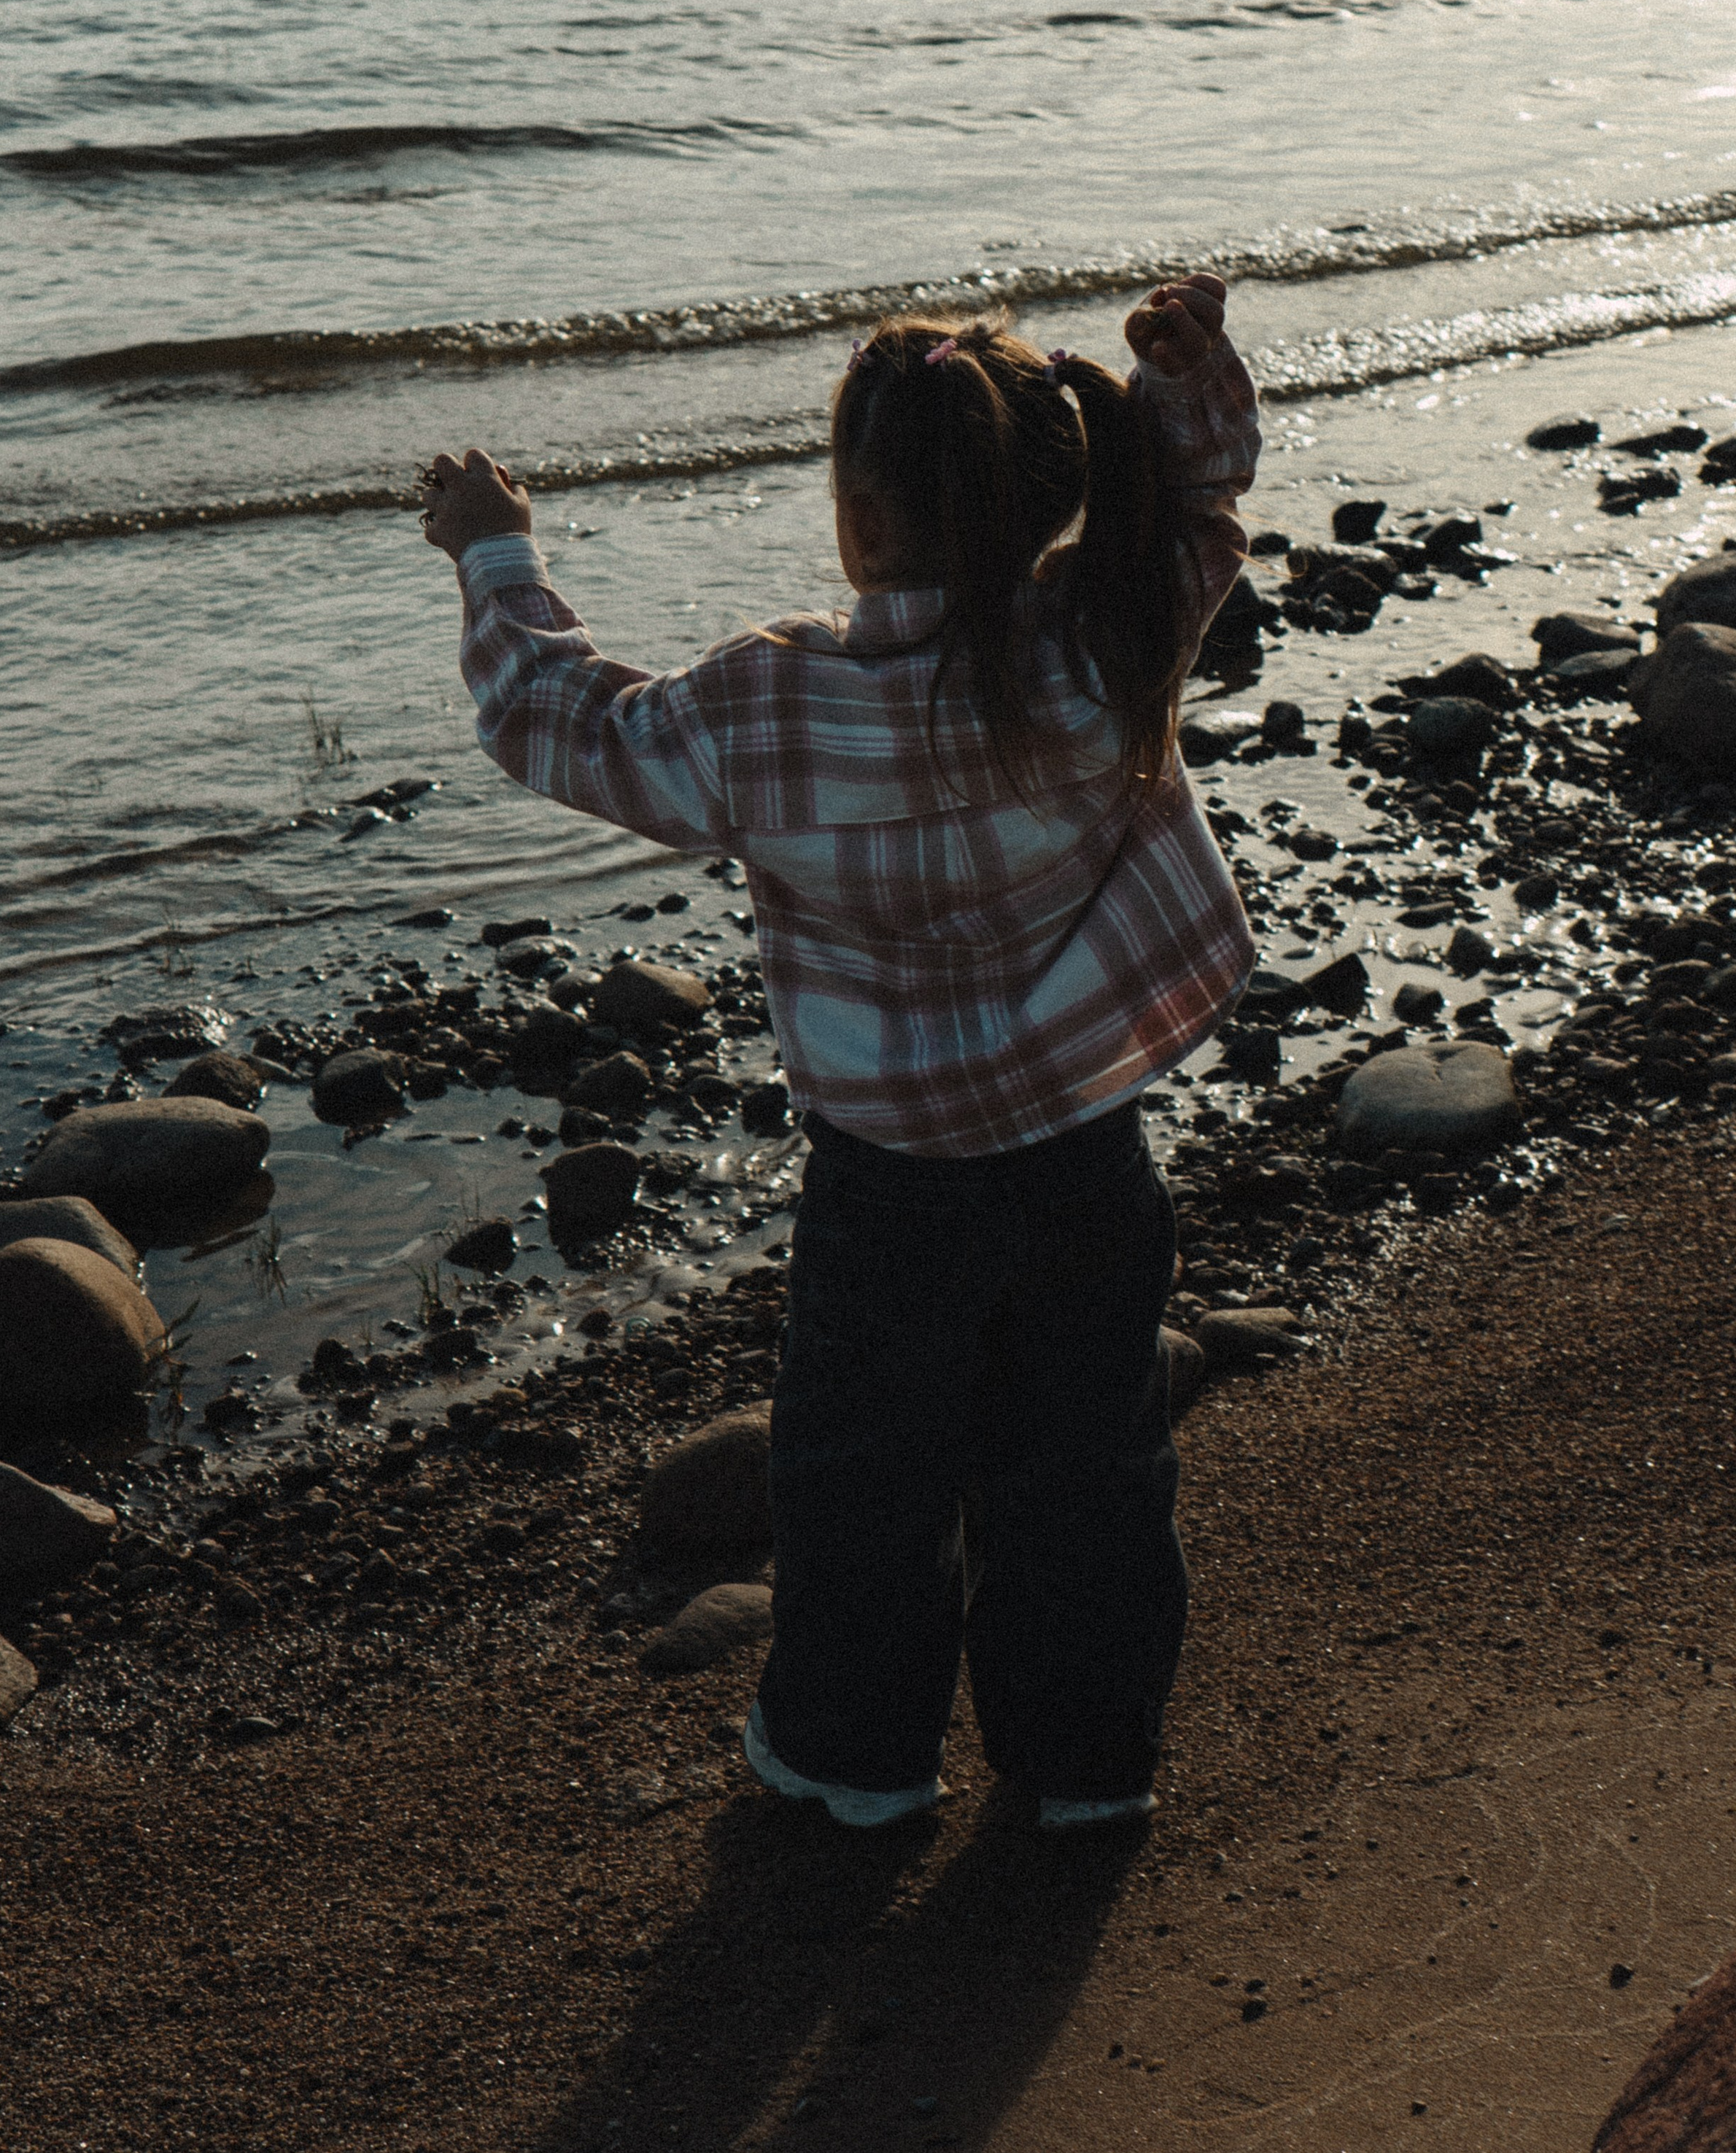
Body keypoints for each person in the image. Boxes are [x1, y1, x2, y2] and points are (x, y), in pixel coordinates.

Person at [420, 273, 1259, 1831]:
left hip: (887, 1187)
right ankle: (1083, 1767)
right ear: (1048, 492)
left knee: (862, 1480)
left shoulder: (769, 703)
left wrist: (495, 549)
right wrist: (1182, 367)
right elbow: (1198, 488)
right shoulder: (1113, 633)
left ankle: (855, 1762)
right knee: (1086, 1471)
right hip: (1084, 1156)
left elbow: (550, 718)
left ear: (858, 522)